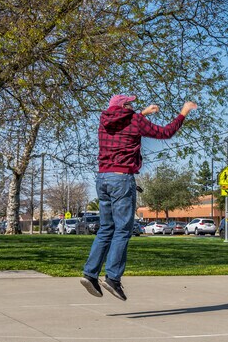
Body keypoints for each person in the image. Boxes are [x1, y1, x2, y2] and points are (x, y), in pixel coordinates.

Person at [80, 95, 197, 301]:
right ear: (125, 106)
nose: (133, 107)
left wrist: (142, 112)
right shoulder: (135, 120)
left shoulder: (104, 121)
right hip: (121, 179)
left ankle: (90, 274)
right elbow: (165, 132)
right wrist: (183, 112)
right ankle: (113, 277)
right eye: (130, 104)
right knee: (123, 229)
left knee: (106, 228)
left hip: (102, 178)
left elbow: (124, 121)